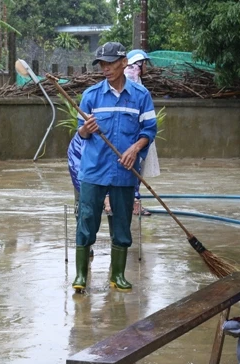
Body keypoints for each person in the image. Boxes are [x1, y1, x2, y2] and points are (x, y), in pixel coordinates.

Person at [72, 42, 157, 293]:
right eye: (102, 64)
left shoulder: (141, 97)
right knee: (86, 220)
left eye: (110, 63)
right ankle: (81, 275)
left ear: (123, 63)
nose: (106, 68)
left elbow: (149, 131)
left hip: (124, 170)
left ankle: (117, 275)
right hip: (94, 170)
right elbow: (81, 133)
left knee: (122, 223)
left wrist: (134, 149)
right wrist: (86, 129)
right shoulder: (91, 96)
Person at [122, 48, 160, 216]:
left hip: (135, 137)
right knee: (134, 170)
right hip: (135, 138)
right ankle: (134, 204)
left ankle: (129, 203)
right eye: (145, 63)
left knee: (132, 171)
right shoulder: (133, 82)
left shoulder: (133, 81)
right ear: (140, 63)